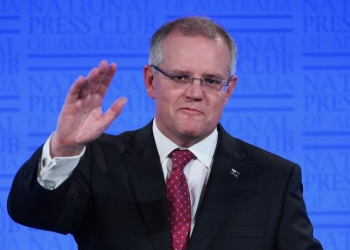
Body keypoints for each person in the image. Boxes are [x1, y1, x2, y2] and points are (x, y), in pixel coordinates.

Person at [7, 16, 323, 250]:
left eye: (211, 80)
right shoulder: (97, 160)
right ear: (150, 81)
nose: (195, 93)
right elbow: (33, 214)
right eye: (180, 77)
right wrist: (63, 148)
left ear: (229, 90)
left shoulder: (274, 178)